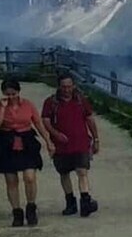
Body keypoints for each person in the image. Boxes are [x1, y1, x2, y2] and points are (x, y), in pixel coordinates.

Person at [0, 77, 56, 227]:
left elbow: (38, 123)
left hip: (26, 140)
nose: (11, 97)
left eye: (13, 93)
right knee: (11, 180)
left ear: (18, 92)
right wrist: (2, 107)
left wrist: (48, 141)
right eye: (8, 94)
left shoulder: (28, 105)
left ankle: (31, 207)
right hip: (6, 141)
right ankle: (17, 212)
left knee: (30, 176)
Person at [43, 73, 102, 217]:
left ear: (73, 86)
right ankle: (70, 202)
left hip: (80, 142)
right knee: (64, 173)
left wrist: (96, 139)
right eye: (64, 87)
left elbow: (90, 119)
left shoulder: (81, 101)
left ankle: (85, 201)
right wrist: (55, 135)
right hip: (61, 144)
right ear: (59, 87)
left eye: (69, 86)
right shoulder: (51, 102)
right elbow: (45, 120)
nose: (67, 90)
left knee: (82, 171)